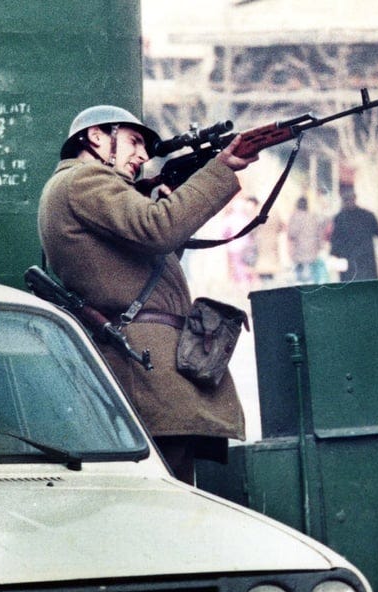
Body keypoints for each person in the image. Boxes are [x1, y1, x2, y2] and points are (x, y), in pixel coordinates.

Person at [38, 104, 256, 485]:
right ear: (95, 137)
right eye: (134, 142)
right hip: (147, 372)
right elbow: (160, 229)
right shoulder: (83, 180)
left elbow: (154, 257)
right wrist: (219, 170)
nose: (142, 156)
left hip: (155, 369)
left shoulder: (79, 187)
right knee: (167, 505)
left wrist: (166, 198)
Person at [328, 186, 378, 283]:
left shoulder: (339, 218)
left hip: (349, 263)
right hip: (367, 262)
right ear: (355, 199)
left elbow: (336, 240)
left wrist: (333, 254)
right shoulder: (368, 215)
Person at [286, 196, 325, 284]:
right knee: (310, 278)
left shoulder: (295, 217)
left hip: (299, 251)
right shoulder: (313, 217)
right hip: (312, 251)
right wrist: (319, 247)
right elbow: (319, 234)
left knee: (299, 279)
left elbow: (291, 233)